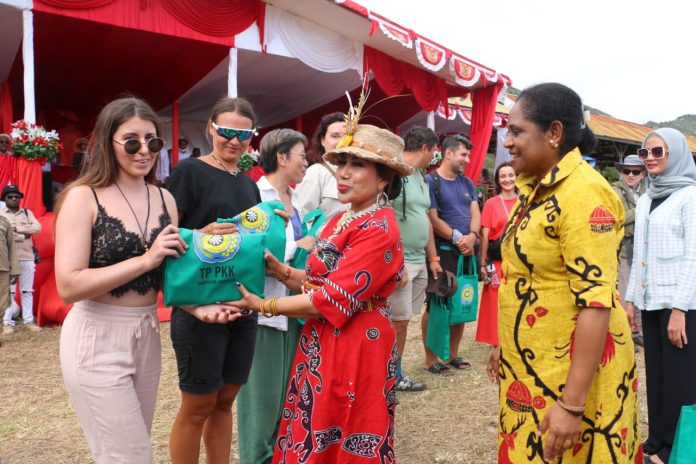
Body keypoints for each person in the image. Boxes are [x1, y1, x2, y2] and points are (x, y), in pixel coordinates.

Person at [227, 122, 413, 463]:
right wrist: (280, 270)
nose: (343, 173)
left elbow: (330, 299)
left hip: (358, 343)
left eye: (357, 165)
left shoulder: (378, 227)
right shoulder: (344, 217)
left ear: (385, 177)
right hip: (324, 338)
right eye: (341, 163)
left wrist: (263, 304)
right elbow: (319, 283)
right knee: (316, 424)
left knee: (345, 425)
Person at [488, 83, 638, 463]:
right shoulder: (534, 190)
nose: (508, 142)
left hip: (570, 378)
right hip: (533, 365)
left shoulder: (585, 195)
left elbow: (596, 302)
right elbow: (529, 280)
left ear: (554, 133)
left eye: (517, 131)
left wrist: (572, 406)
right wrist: (506, 346)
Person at [55, 97, 194, 463]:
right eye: (131, 141)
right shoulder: (82, 197)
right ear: (107, 142)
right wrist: (145, 258)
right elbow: (68, 285)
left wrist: (206, 303)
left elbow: (170, 275)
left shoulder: (165, 199)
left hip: (145, 335)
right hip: (95, 337)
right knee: (129, 456)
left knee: (129, 450)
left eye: (153, 141)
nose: (144, 150)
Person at [166, 97, 263, 464]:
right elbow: (167, 236)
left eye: (243, 134)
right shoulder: (189, 172)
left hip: (242, 306)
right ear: (210, 127)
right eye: (226, 131)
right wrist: (200, 234)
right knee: (197, 405)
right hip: (199, 306)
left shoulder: (249, 184)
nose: (233, 140)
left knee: (225, 402)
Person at [236, 128, 315, 464]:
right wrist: (299, 246)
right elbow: (246, 251)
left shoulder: (296, 200)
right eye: (302, 156)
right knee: (260, 401)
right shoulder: (254, 195)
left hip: (292, 310)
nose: (306, 163)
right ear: (281, 157)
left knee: (285, 398)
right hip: (263, 312)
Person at [624, 128, 696, 464]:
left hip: (680, 305)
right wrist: (630, 299)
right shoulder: (645, 199)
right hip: (650, 302)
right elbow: (639, 252)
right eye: (644, 153)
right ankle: (655, 442)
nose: (650, 158)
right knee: (656, 374)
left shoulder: (690, 197)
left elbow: (694, 257)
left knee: (680, 379)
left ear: (677, 155)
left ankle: (674, 450)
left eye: (658, 152)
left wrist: (680, 309)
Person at [389, 125, 442, 392]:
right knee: (395, 321)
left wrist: (432, 257)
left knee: (403, 319)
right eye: (434, 151)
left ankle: (393, 371)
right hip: (400, 263)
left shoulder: (421, 177)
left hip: (418, 261)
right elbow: (384, 217)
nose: (434, 156)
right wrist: (394, 261)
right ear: (425, 148)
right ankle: (391, 375)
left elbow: (425, 219)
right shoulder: (394, 172)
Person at [422, 134, 480, 375]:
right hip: (444, 252)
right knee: (437, 304)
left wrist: (473, 236)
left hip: (467, 254)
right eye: (463, 154)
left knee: (462, 303)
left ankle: (453, 354)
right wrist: (458, 238)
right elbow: (432, 219)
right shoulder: (430, 180)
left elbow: (476, 211)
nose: (467, 159)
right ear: (448, 153)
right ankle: (430, 358)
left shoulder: (467, 183)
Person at [476, 162, 517, 347]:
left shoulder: (525, 200)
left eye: (511, 175)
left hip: (518, 260)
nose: (507, 179)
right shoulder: (491, 203)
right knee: (495, 300)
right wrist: (483, 263)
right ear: (498, 181)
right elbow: (484, 234)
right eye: (503, 176)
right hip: (497, 260)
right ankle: (496, 342)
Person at [612, 154, 647, 347]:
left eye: (635, 171)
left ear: (642, 174)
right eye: (627, 171)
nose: (631, 175)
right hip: (624, 250)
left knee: (640, 293)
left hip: (642, 249)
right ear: (622, 172)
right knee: (625, 294)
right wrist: (640, 210)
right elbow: (616, 218)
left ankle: (636, 332)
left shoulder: (646, 192)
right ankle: (625, 335)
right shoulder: (615, 192)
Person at [1, 185, 42, 334]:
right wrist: (24, 235)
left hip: (27, 256)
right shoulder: (1, 214)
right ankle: (7, 323)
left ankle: (28, 321)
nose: (13, 199)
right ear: (4, 198)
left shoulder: (27, 213)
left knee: (26, 290)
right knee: (8, 292)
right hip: (8, 258)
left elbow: (37, 228)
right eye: (10, 196)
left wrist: (17, 229)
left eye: (16, 196)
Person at [295, 112, 348, 219]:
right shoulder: (315, 173)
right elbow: (301, 219)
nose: (342, 142)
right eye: (335, 136)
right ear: (322, 140)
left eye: (347, 136)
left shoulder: (361, 173)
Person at [0, 211, 19, 344]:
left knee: (2, 304)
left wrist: (14, 269)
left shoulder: (3, 221)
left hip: (3, 268)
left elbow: (11, 246)